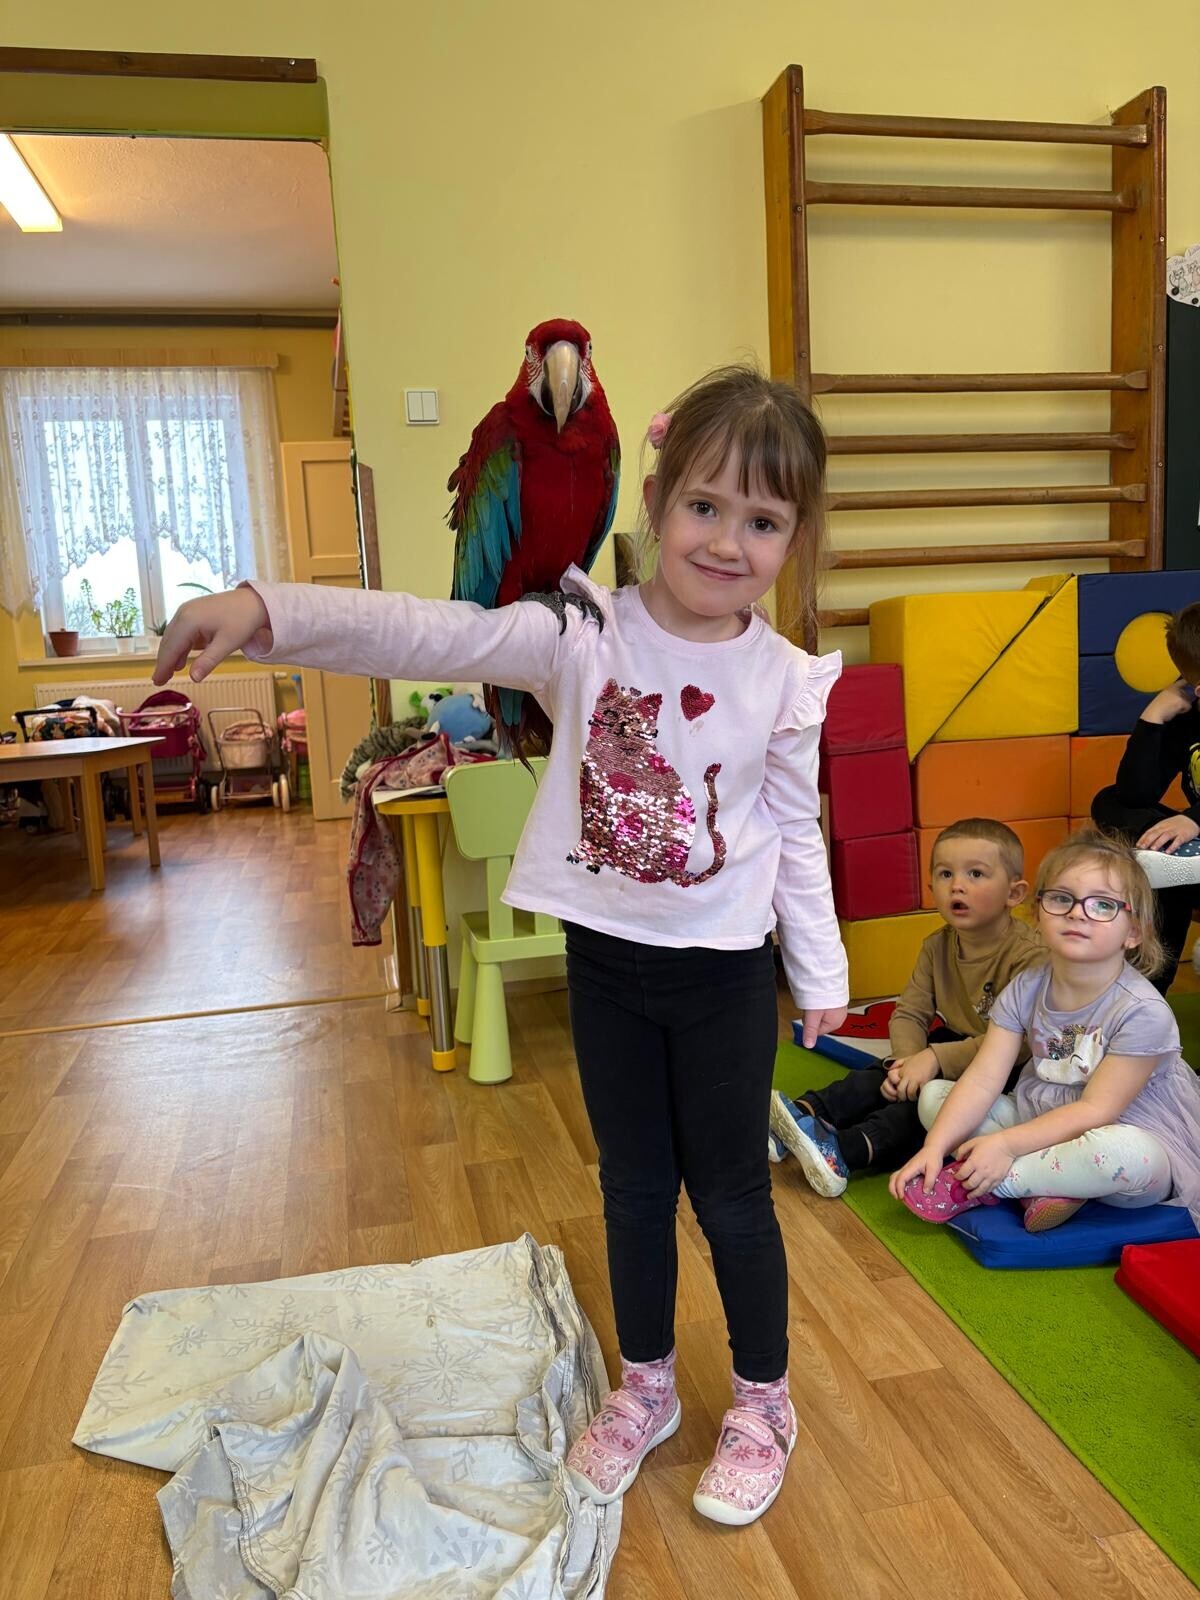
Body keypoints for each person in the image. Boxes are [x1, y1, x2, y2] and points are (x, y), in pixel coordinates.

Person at [152, 366, 849, 1528]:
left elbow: (794, 831)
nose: (729, 542)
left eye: (764, 520)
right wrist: (263, 607)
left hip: (727, 972)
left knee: (731, 1193)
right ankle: (646, 1385)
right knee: (633, 1184)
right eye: (704, 506)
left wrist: (821, 972)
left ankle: (763, 1401)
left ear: (796, 536)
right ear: (656, 500)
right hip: (607, 964)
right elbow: (426, 628)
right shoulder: (581, 634)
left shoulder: (785, 679)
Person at [890, 828, 1200, 1236]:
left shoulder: (1143, 1012)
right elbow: (983, 1079)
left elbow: (1096, 1111)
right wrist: (934, 1147)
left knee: (1127, 1156)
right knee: (935, 1097)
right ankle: (1052, 1181)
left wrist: (1004, 1146)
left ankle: (995, 1182)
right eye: (1061, 898)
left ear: (1133, 932)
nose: (1077, 913)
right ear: (1037, 913)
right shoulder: (1025, 987)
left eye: (1102, 905)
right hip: (1041, 1114)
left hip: (1128, 1127)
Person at [770, 818, 1042, 1196]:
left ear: (1014, 893)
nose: (957, 885)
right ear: (931, 889)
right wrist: (907, 1062)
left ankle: (843, 1151)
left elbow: (1022, 1044)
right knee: (880, 1076)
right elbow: (911, 1012)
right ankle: (801, 1115)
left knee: (922, 1110)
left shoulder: (1030, 957)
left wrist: (933, 1060)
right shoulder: (936, 946)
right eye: (945, 874)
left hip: (1009, 1068)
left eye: (976, 874)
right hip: (957, 1043)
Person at [1090, 602, 1200, 993]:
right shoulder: (1190, 717)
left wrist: (1193, 820)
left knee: (1167, 869)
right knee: (1110, 803)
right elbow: (1135, 794)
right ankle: (1148, 1003)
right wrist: (1152, 718)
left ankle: (1148, 996)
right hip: (1194, 859)